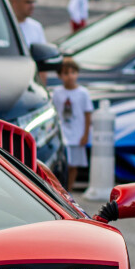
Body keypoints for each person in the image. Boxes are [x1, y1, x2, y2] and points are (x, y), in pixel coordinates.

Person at [54, 57, 93, 189]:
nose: (70, 76)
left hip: (77, 134)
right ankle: (60, 189)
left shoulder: (83, 93)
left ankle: (69, 190)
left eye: (72, 72)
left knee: (73, 165)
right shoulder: (57, 92)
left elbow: (88, 114)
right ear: (60, 75)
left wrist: (85, 134)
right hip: (62, 133)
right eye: (66, 73)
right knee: (62, 164)